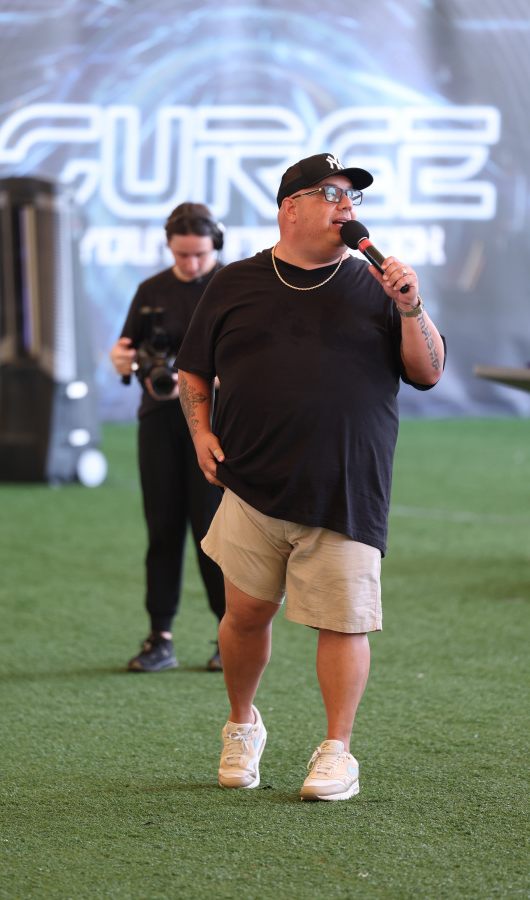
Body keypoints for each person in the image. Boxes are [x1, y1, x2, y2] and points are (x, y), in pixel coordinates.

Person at [174, 153, 445, 800]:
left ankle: (337, 751)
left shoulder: (378, 285)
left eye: (352, 196)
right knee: (244, 613)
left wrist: (410, 307)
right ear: (289, 208)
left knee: (343, 622)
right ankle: (242, 724)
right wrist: (201, 431)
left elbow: (429, 371)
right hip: (251, 482)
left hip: (346, 486)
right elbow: (193, 367)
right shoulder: (235, 282)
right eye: (330, 193)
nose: (346, 205)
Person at [110, 202, 226, 672]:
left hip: (216, 424)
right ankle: (160, 637)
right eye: (182, 255)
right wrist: (121, 361)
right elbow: (127, 352)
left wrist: (199, 382)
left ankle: (231, 636)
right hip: (159, 421)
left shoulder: (233, 286)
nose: (191, 264)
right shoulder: (150, 291)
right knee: (161, 530)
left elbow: (254, 362)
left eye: (200, 254)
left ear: (216, 245)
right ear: (169, 248)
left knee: (215, 533)